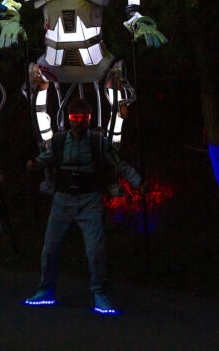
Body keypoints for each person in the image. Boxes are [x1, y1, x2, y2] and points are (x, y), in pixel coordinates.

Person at [23, 98, 141, 314]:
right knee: (50, 247)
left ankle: (100, 294)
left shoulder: (98, 141)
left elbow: (118, 162)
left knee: (95, 249)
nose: (79, 123)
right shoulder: (58, 141)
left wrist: (136, 181)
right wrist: (34, 164)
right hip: (63, 198)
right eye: (75, 118)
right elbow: (47, 158)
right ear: (69, 119)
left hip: (89, 199)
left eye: (83, 118)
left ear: (89, 119)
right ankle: (46, 290)